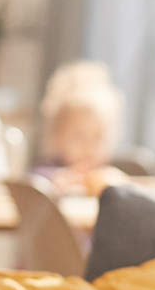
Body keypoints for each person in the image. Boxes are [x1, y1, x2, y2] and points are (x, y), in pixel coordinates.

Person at [32, 60, 130, 197]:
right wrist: (59, 180)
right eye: (79, 137)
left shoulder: (107, 176)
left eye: (98, 137)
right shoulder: (48, 169)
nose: (88, 147)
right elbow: (31, 182)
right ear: (57, 136)